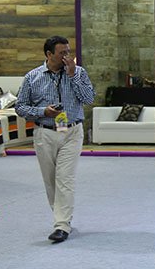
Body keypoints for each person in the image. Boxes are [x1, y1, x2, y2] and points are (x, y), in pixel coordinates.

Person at [15, 36, 96, 243]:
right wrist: (43, 111)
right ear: (49, 54)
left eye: (69, 52)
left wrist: (72, 75)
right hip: (46, 132)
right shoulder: (32, 77)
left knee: (65, 179)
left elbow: (89, 98)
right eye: (62, 53)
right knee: (50, 180)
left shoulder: (79, 73)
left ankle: (61, 225)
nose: (67, 56)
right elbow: (20, 107)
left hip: (72, 131)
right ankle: (62, 216)